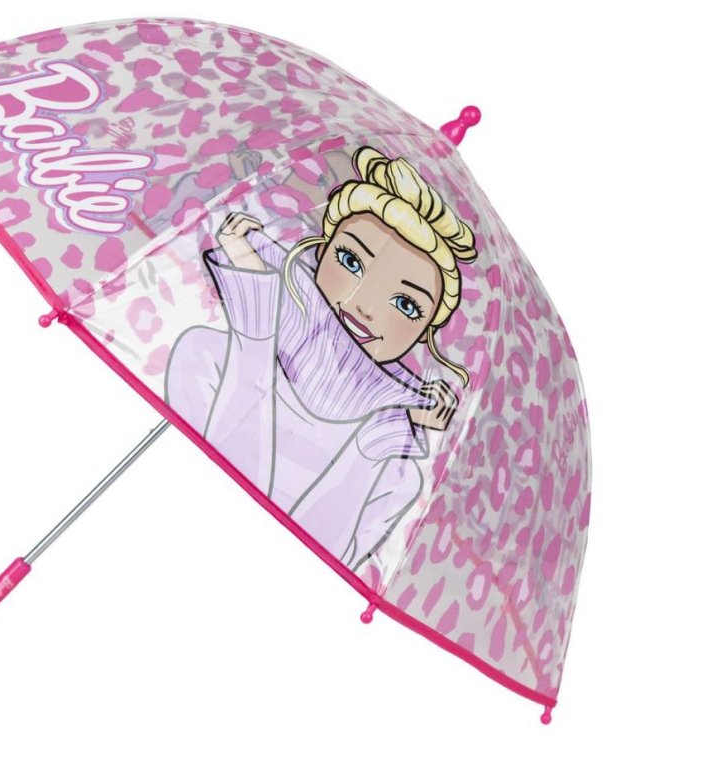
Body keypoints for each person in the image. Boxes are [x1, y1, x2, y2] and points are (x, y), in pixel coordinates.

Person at [164, 145, 478, 571]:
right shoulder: (207, 356)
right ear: (321, 250)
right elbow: (210, 456)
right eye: (351, 261)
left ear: (425, 332)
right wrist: (256, 321)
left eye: (405, 305)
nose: (364, 305)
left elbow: (330, 549)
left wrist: (387, 431)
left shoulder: (393, 472)